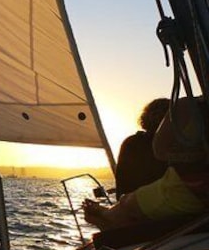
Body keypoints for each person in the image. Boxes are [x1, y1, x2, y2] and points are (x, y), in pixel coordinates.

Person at [84, 97, 209, 231]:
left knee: (126, 203)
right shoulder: (185, 138)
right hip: (164, 196)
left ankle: (106, 215)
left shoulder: (133, 143)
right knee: (129, 202)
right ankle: (108, 215)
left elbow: (126, 181)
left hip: (168, 198)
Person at [114, 98, 169, 198]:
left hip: (132, 204)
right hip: (156, 203)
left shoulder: (131, 142)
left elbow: (122, 183)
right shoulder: (173, 146)